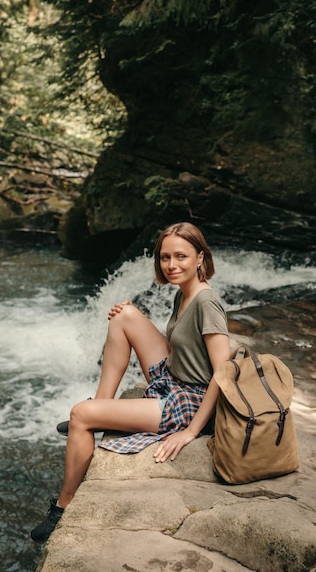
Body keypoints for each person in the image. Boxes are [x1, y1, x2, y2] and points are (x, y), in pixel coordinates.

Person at [30, 222, 230, 543]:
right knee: (124, 315)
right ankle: (101, 407)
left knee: (80, 415)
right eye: (165, 257)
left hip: (188, 403)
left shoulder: (207, 303)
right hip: (175, 378)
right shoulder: (186, 294)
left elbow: (223, 372)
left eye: (181, 256)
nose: (172, 265)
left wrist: (191, 432)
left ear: (200, 257)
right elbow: (188, 348)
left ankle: (62, 507)